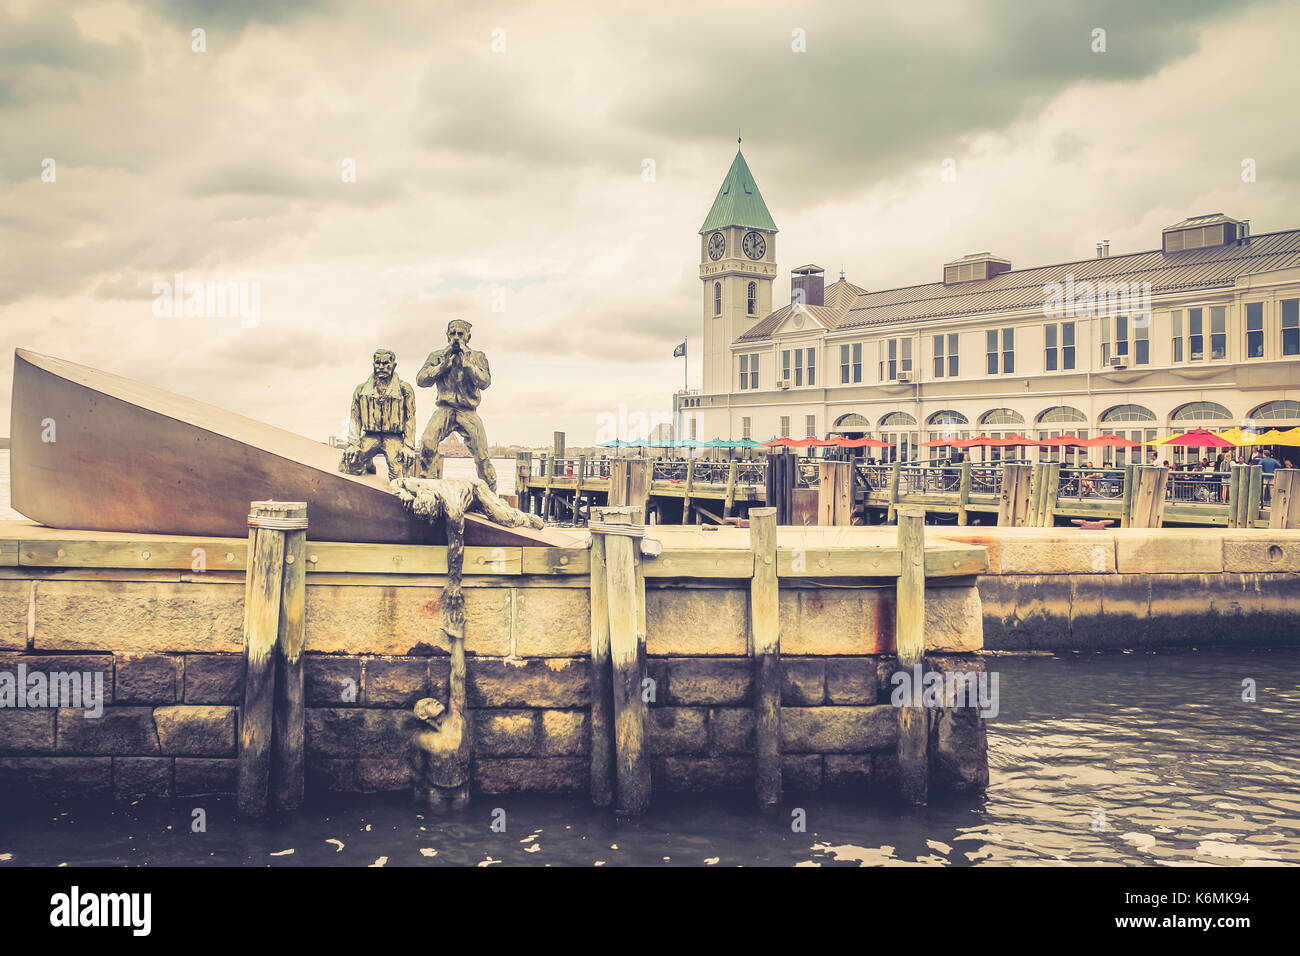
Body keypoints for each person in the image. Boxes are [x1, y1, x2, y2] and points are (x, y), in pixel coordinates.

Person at [417, 319, 497, 490]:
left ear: (468, 336)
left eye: (460, 334)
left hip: (468, 411)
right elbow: (421, 380)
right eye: (452, 333)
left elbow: (485, 382)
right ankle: (429, 488)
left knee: (481, 454)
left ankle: (490, 492)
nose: (456, 337)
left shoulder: (478, 357)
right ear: (447, 335)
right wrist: (442, 367)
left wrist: (468, 365)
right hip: (445, 408)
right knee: (427, 443)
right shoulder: (437, 356)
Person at [340, 348, 418, 481]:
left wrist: (409, 446)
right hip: (370, 436)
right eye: (378, 363)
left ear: (393, 365)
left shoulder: (405, 389)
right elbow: (355, 418)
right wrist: (353, 444)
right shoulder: (361, 390)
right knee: (350, 464)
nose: (381, 367)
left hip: (394, 437)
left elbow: (410, 418)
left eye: (386, 363)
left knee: (399, 475)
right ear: (373, 365)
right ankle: (367, 461)